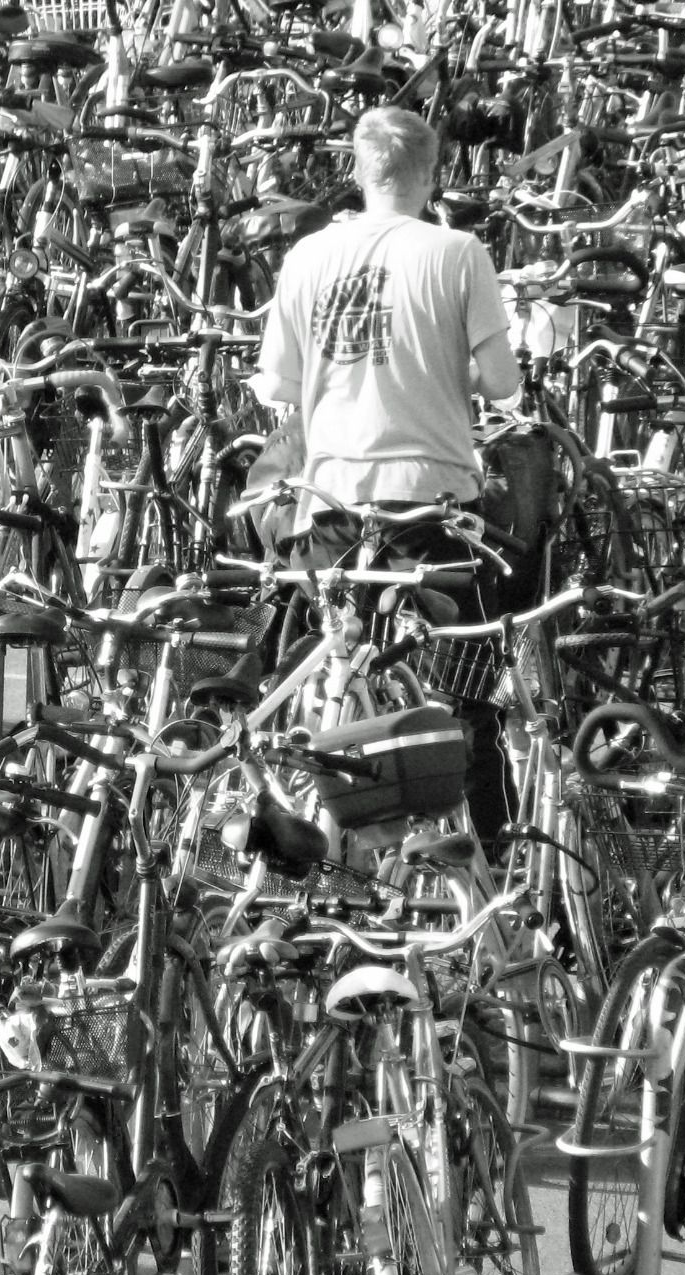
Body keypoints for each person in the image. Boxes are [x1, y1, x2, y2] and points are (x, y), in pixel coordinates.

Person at [248, 105, 521, 837]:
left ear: (360, 172)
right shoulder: (458, 252)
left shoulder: (308, 257)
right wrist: (443, 366)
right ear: (431, 176)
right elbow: (502, 383)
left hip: (332, 498)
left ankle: (323, 839)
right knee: (468, 695)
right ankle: (487, 853)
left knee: (330, 678)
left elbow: (277, 387)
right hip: (432, 501)